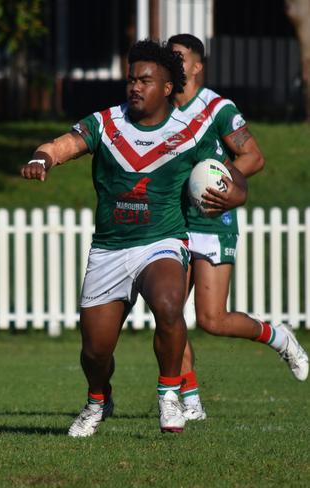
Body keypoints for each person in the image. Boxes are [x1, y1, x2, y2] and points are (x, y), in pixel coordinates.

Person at [21, 40, 246, 437]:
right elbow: (64, 144)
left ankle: (169, 394)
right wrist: (43, 158)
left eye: (145, 80)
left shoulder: (190, 133)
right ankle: (97, 400)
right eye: (131, 79)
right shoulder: (106, 124)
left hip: (161, 241)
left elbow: (234, 174)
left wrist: (235, 194)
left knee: (169, 302)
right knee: (96, 350)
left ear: (165, 87)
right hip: (109, 248)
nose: (135, 87)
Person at [167, 34, 308, 421]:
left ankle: (278, 337)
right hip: (173, 223)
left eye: (180, 58)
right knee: (169, 316)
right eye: (169, 58)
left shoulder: (217, 108)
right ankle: (190, 399)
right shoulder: (159, 111)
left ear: (197, 66)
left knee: (212, 319)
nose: (174, 64)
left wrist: (221, 182)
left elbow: (254, 157)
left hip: (213, 220)